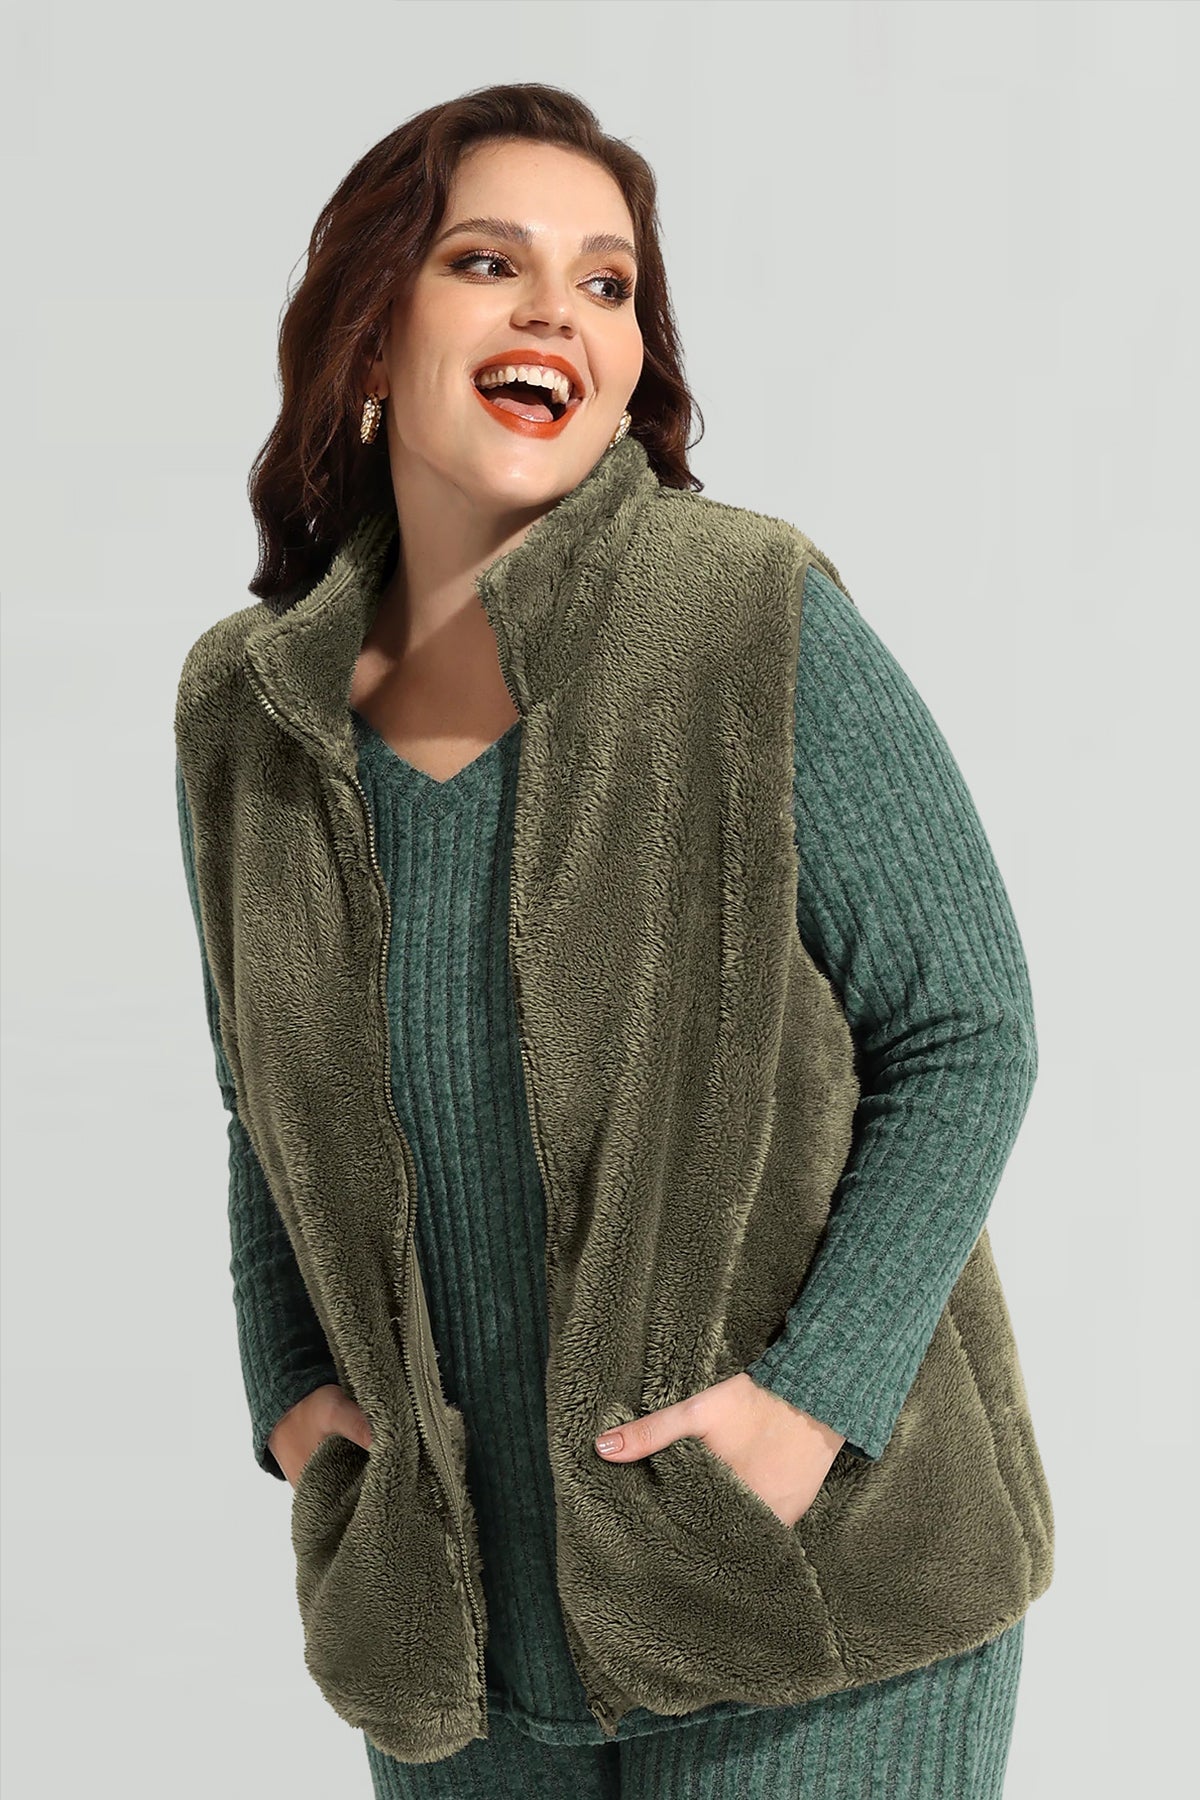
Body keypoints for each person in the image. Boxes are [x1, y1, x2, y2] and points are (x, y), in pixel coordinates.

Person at [174, 82, 1053, 1799]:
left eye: (605, 282)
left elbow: (966, 1030)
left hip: (811, 1605)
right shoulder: (248, 708)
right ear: (370, 332)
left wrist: (810, 1408)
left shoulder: (743, 615)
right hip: (451, 1636)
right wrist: (291, 1388)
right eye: (486, 262)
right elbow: (254, 1102)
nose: (554, 315)